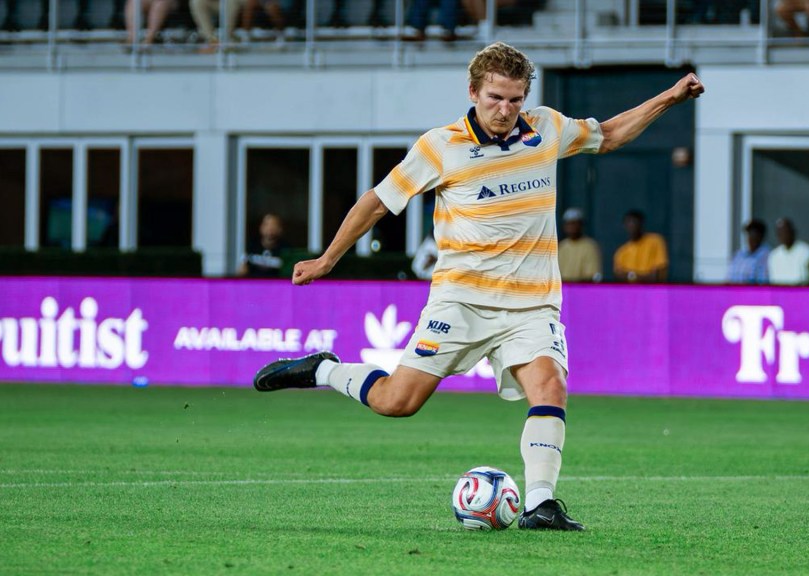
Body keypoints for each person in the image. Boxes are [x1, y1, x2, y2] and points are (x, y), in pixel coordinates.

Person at [252, 42, 704, 531]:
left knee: (550, 385)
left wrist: (669, 98)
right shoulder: (440, 147)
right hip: (460, 302)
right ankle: (323, 370)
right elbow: (377, 203)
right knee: (396, 402)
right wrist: (327, 258)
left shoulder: (547, 127)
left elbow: (610, 135)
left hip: (531, 306)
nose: (505, 110)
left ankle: (540, 504)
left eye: (515, 99)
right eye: (495, 98)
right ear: (473, 92)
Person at [613, 210, 668, 283]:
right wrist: (643, 276)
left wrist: (631, 276)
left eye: (634, 222)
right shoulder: (621, 252)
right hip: (631, 293)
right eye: (629, 222)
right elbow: (619, 277)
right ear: (625, 225)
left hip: (653, 292)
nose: (632, 225)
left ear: (641, 224)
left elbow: (655, 277)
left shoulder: (655, 241)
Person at [557, 208, 602, 283]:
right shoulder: (561, 246)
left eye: (574, 223)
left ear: (581, 225)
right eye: (568, 224)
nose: (571, 227)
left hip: (582, 288)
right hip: (563, 288)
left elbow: (592, 276)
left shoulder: (590, 246)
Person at [768, 217, 809, 285]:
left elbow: (808, 282)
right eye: (780, 233)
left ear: (793, 232)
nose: (783, 235)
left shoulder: (806, 252)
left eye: (786, 232)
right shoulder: (774, 255)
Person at [239, 213, 289, 278]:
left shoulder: (286, 250)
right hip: (254, 284)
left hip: (276, 285)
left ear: (280, 229)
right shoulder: (252, 246)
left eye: (274, 225)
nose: (270, 228)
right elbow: (242, 270)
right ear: (261, 227)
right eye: (267, 224)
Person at [727, 218, 770, 284]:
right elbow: (729, 277)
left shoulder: (766, 256)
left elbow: (762, 282)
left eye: (754, 233)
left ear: (761, 236)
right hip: (733, 292)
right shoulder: (739, 255)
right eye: (748, 233)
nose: (750, 237)